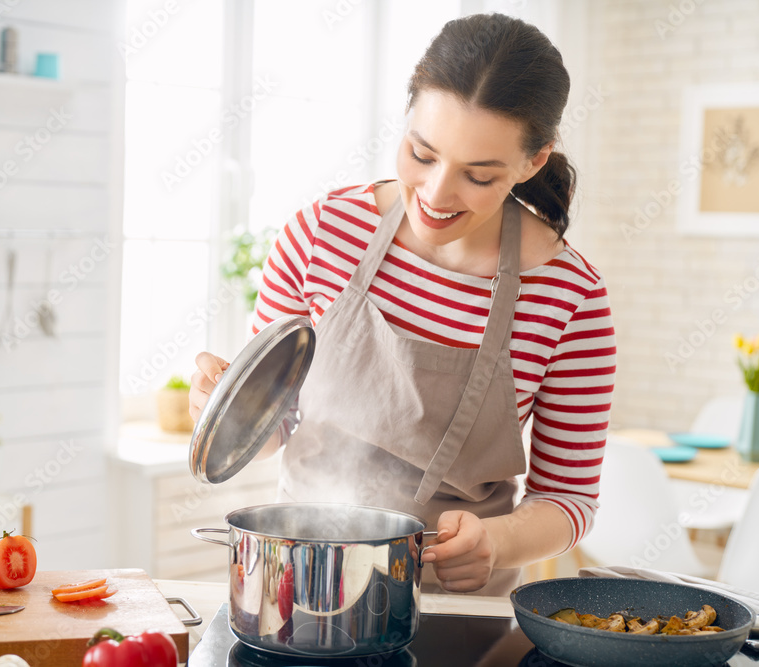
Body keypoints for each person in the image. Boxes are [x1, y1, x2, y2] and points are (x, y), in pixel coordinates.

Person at [189, 13, 615, 596]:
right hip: (302, 587)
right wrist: (227, 411)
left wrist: (497, 543)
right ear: (407, 118)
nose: (437, 195)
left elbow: (568, 499)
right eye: (421, 153)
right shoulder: (320, 235)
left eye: (479, 176)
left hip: (456, 607)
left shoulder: (572, 298)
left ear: (533, 162)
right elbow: (273, 431)